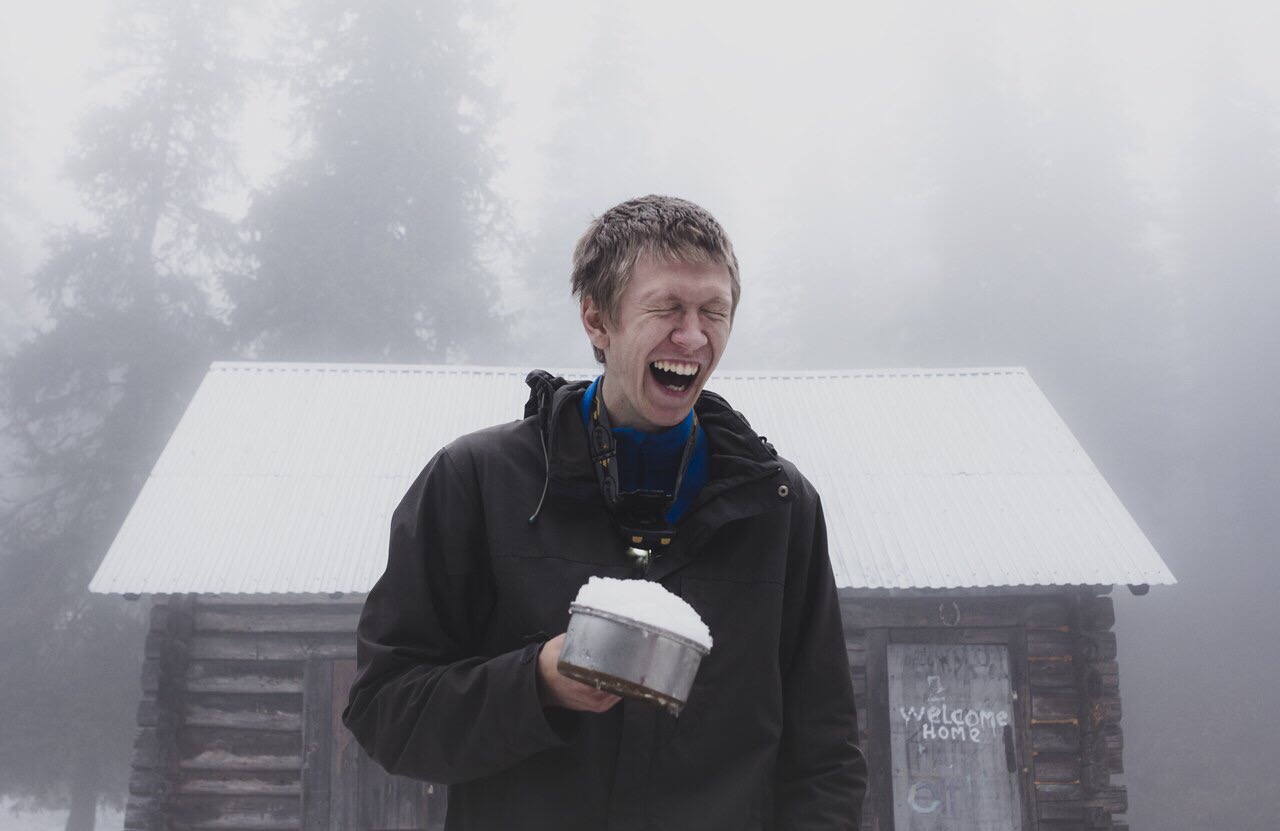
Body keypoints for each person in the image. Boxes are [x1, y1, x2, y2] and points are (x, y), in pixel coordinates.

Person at [343, 195, 867, 830]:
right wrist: (536, 683)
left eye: (714, 312)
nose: (694, 336)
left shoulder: (779, 507)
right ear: (597, 320)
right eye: (667, 308)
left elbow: (825, 759)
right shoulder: (477, 482)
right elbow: (385, 709)